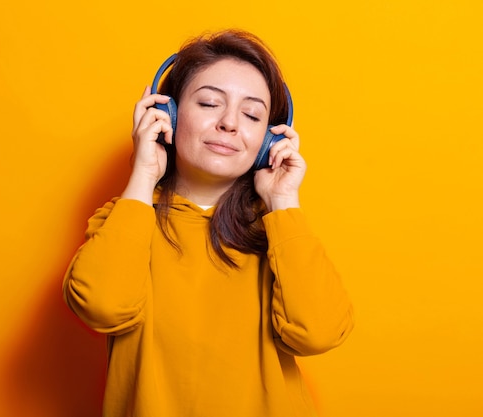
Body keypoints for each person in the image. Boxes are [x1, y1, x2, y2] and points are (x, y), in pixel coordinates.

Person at [63, 29, 354, 417]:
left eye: (252, 115)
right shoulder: (123, 219)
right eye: (209, 103)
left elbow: (318, 333)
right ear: (167, 114)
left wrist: (283, 202)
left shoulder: (280, 234)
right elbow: (102, 307)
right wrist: (143, 175)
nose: (230, 123)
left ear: (269, 140)